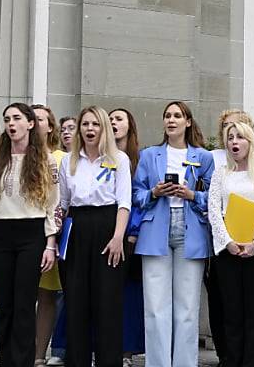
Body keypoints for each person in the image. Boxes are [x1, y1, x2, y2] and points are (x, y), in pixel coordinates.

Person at [0, 103, 59, 367]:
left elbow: (53, 204)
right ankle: (4, 360)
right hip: (0, 233)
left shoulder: (45, 161)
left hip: (32, 232)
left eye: (17, 118)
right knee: (4, 304)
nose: (11, 124)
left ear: (30, 123)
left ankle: (23, 361)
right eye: (7, 119)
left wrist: (50, 243)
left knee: (24, 303)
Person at [133, 101, 215, 367]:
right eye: (167, 116)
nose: (171, 120)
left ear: (187, 122)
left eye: (177, 116)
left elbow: (215, 197)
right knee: (156, 307)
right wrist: (154, 192)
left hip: (190, 229)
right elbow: (136, 194)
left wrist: (192, 195)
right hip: (156, 227)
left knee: (187, 308)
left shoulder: (203, 157)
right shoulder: (149, 155)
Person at [58, 106, 131, 367]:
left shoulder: (119, 159)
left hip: (108, 227)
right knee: (76, 302)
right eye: (85, 124)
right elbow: (62, 203)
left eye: (95, 124)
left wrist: (118, 237)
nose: (90, 129)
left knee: (107, 303)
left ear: (104, 128)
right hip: (76, 227)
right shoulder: (69, 161)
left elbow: (124, 202)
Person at [208, 122, 254, 367]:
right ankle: (232, 360)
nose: (234, 142)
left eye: (240, 137)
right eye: (230, 138)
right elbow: (214, 210)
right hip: (228, 251)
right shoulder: (221, 173)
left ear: (250, 142)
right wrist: (227, 242)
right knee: (231, 311)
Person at [30, 104, 65, 367]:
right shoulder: (14, 156)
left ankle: (39, 354)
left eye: (39, 119)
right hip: (21, 232)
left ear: (50, 126)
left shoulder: (62, 158)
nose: (34, 122)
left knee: (46, 295)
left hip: (51, 234)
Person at [109, 108, 144, 367]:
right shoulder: (100, 158)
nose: (113, 123)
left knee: (129, 295)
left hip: (131, 237)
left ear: (129, 126)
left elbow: (140, 199)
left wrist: (133, 232)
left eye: (119, 119)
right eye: (110, 119)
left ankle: (126, 351)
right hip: (105, 232)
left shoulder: (139, 160)